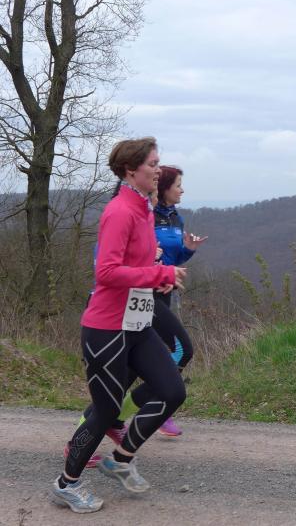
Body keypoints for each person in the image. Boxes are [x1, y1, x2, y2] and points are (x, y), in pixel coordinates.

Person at [51, 137, 187, 513]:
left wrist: (156, 279)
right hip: (106, 328)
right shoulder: (120, 211)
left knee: (172, 390)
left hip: (136, 323)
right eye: (152, 164)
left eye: (158, 163)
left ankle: (121, 459)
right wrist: (159, 272)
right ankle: (66, 484)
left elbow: (134, 266)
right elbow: (107, 272)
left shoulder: (143, 208)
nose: (158, 170)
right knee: (106, 410)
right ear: (130, 170)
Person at [151, 164, 207, 436]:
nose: (182, 190)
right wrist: (155, 272)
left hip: (165, 293)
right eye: (178, 185)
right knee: (179, 349)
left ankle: (114, 415)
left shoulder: (176, 218)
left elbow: (173, 258)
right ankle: (157, 407)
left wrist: (188, 250)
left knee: (159, 353)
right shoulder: (147, 215)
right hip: (144, 292)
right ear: (164, 188)